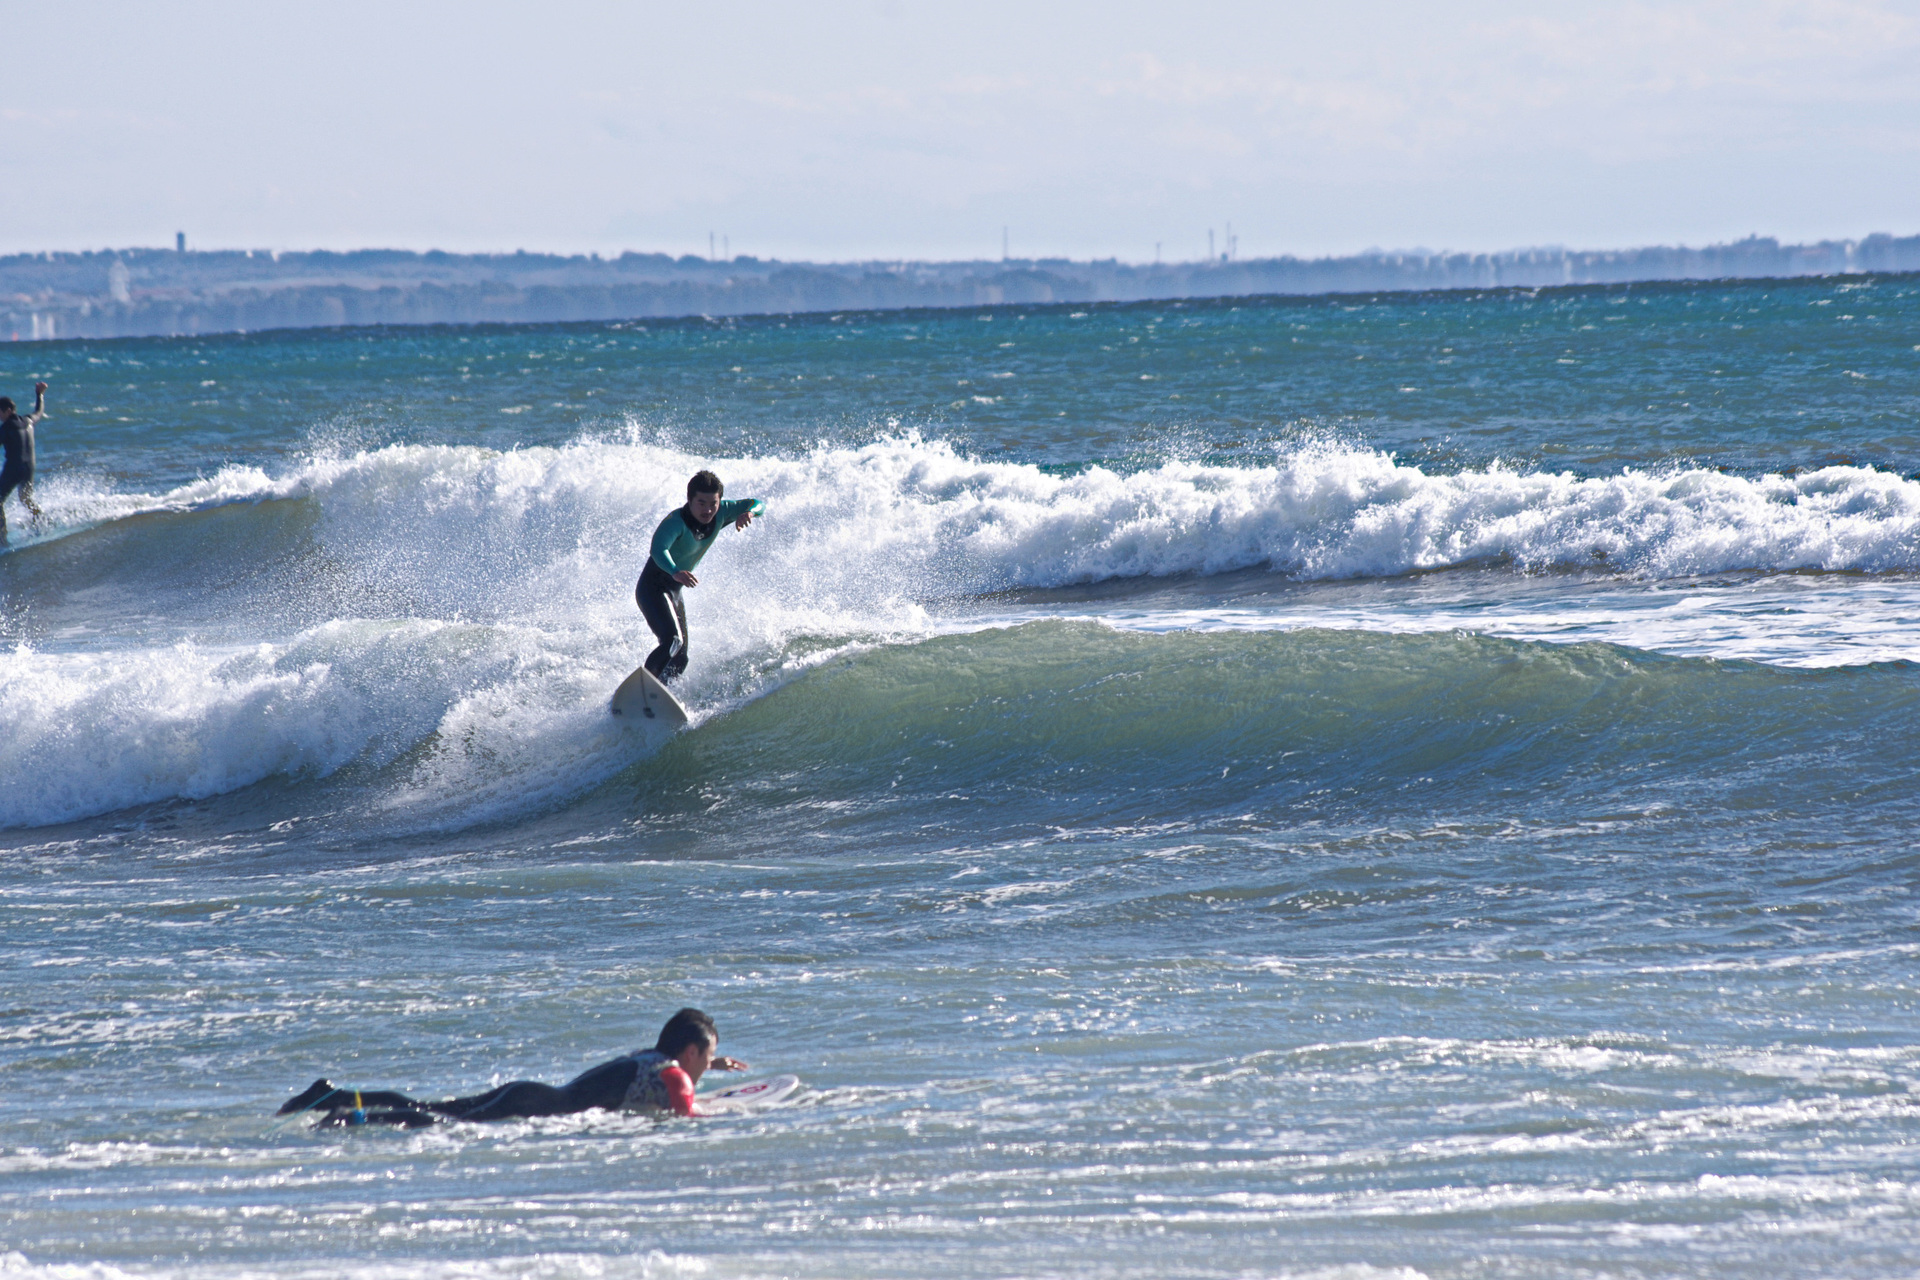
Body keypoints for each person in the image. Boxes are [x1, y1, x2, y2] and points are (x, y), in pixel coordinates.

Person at [274, 1007, 748, 1127]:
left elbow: (674, 1080)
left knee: (433, 1109)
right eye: (707, 1055)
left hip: (534, 1093)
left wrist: (713, 1066)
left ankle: (332, 1095)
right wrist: (736, 1114)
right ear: (688, 1053)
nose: (709, 1064)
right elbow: (688, 1115)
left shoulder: (652, 1059)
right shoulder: (675, 1074)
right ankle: (348, 1117)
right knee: (436, 1121)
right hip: (535, 1106)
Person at [637, 470, 764, 683]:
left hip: (674, 590)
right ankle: (643, 687)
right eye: (701, 503)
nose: (708, 509)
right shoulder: (675, 522)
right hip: (653, 588)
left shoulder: (722, 512)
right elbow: (659, 549)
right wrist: (675, 571)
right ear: (690, 500)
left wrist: (749, 513)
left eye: (713, 503)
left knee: (681, 657)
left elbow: (757, 503)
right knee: (671, 641)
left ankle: (660, 692)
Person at [0, 381, 48, 543]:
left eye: (0, 413)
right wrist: (39, 395)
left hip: (14, 468)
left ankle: (2, 537)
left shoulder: (6, 428)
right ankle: (41, 519)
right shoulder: (29, 421)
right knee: (26, 498)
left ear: (8, 411)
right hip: (29, 468)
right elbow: (39, 411)